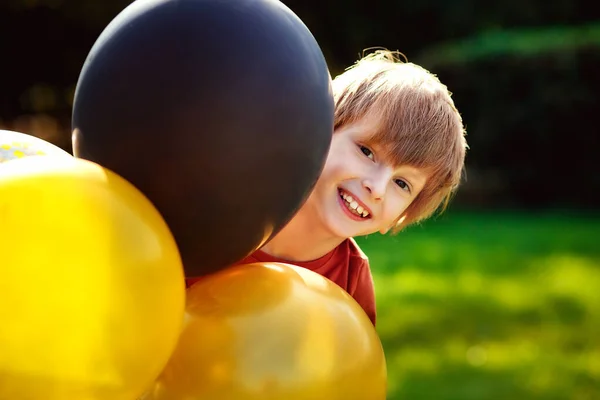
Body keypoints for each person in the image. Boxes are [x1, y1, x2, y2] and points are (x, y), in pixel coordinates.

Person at [187, 49, 468, 326]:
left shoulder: (350, 283)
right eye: (367, 152)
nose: (377, 187)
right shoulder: (219, 218)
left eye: (402, 183)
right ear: (321, 131)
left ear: (403, 215)